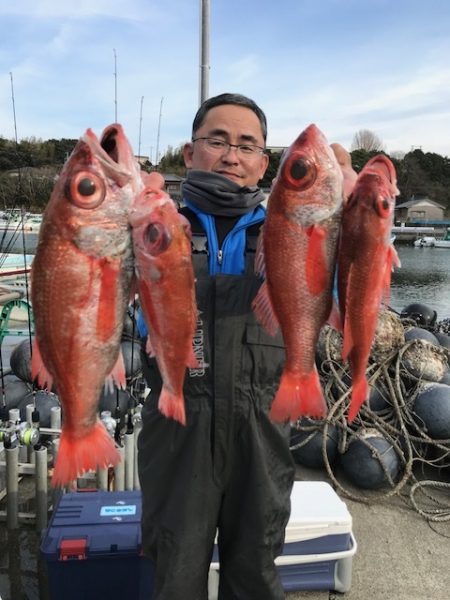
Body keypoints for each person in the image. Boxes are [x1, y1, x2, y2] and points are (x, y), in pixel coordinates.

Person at [137, 92, 295, 600]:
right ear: (189, 152)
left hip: (262, 427)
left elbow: (332, 295)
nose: (231, 155)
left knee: (256, 568)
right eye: (218, 140)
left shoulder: (288, 232)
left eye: (247, 145)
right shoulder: (154, 226)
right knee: (175, 570)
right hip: (177, 422)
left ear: (264, 162)